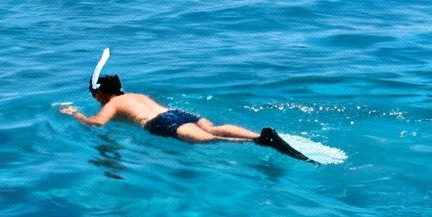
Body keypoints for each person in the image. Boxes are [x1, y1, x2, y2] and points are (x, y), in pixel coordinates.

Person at [60, 72, 309, 160]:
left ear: (103, 93)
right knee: (213, 128)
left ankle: (257, 142)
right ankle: (258, 135)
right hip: (176, 113)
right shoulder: (137, 94)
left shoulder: (112, 104)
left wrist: (76, 114)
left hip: (159, 123)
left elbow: (97, 124)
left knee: (205, 140)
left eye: (96, 96)